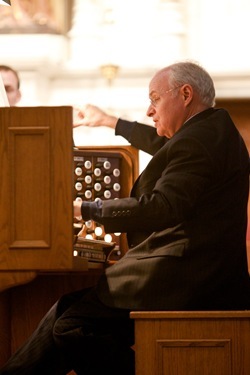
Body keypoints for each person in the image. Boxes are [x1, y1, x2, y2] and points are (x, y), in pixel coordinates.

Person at [1, 61, 250, 375]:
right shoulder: (211, 130)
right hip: (199, 273)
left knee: (73, 324)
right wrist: (110, 121)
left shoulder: (198, 141)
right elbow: (165, 146)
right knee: (68, 311)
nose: (149, 110)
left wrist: (85, 210)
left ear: (186, 94)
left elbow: (161, 207)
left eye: (155, 99)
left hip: (186, 277)